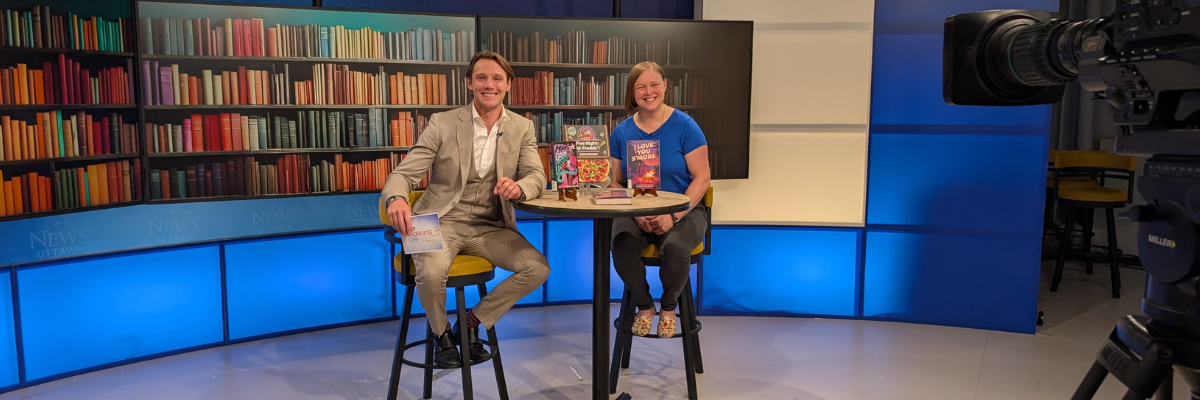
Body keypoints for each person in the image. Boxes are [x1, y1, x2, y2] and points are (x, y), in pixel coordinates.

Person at [381, 51, 549, 368]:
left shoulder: (522, 127)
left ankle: (471, 322)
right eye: (482, 77)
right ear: (469, 83)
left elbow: (536, 175)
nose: (489, 84)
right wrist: (397, 199)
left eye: (497, 78)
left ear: (508, 84)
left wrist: (521, 188)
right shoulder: (443, 122)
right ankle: (441, 335)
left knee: (537, 268)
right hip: (435, 219)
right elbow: (401, 175)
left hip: (491, 225)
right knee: (430, 272)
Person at [608, 61, 711, 338]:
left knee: (676, 249)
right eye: (640, 87)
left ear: (665, 86)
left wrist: (673, 216)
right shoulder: (621, 131)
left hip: (684, 211)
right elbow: (615, 181)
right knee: (620, 244)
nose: (648, 91)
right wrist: (636, 212)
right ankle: (644, 306)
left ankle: (667, 308)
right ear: (632, 92)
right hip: (636, 210)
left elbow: (702, 178)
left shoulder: (686, 126)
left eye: (655, 84)